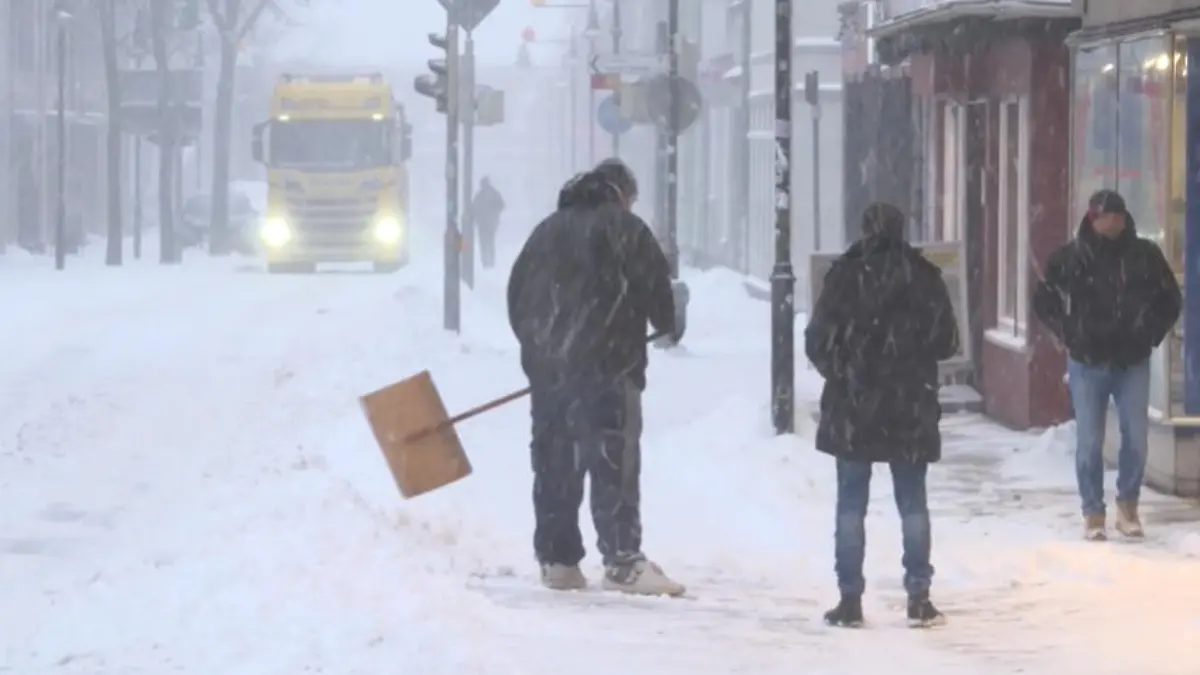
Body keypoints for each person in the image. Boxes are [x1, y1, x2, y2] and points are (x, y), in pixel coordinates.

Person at [506, 159, 683, 596]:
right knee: (613, 464)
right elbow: (660, 298)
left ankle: (558, 561)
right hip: (610, 368)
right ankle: (622, 561)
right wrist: (664, 321)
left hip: (552, 373)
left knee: (555, 463)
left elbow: (517, 299)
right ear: (622, 193)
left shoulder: (545, 232)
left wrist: (542, 352)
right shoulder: (626, 230)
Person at [804, 202, 959, 629]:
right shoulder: (923, 277)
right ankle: (919, 597)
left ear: (863, 230)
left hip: (854, 407)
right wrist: (910, 365)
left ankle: (850, 599)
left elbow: (817, 340)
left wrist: (845, 373)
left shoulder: (843, 277)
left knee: (851, 504)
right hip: (908, 405)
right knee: (912, 502)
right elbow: (946, 341)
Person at [1033, 189, 1180, 542]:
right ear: (1092, 218)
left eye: (1116, 216)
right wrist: (1068, 332)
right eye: (1103, 217)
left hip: (1132, 360)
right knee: (1089, 440)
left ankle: (1128, 506)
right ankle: (1093, 511)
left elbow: (1170, 298)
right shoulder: (1072, 258)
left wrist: (1149, 333)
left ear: (1124, 218)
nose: (1110, 222)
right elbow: (1044, 298)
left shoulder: (1144, 255)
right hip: (1087, 361)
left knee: (1136, 437)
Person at [472, 176, 506, 269]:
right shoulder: (493, 193)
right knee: (490, 241)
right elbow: (502, 205)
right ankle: (489, 261)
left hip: (484, 223)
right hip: (490, 223)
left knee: (485, 242)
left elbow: (473, 208)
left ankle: (486, 261)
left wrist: (477, 217)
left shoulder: (480, 195)